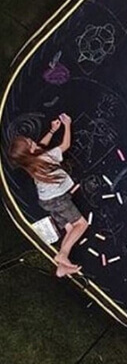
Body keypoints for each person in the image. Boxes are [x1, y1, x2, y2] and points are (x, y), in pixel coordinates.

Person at [8, 113, 88, 277]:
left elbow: (40, 145)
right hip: (57, 199)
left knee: (69, 228)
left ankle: (61, 266)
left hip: (46, 201)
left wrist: (52, 131)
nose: (33, 141)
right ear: (30, 150)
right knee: (81, 224)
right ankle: (63, 254)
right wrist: (67, 125)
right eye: (30, 142)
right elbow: (65, 145)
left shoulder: (29, 162)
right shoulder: (46, 158)